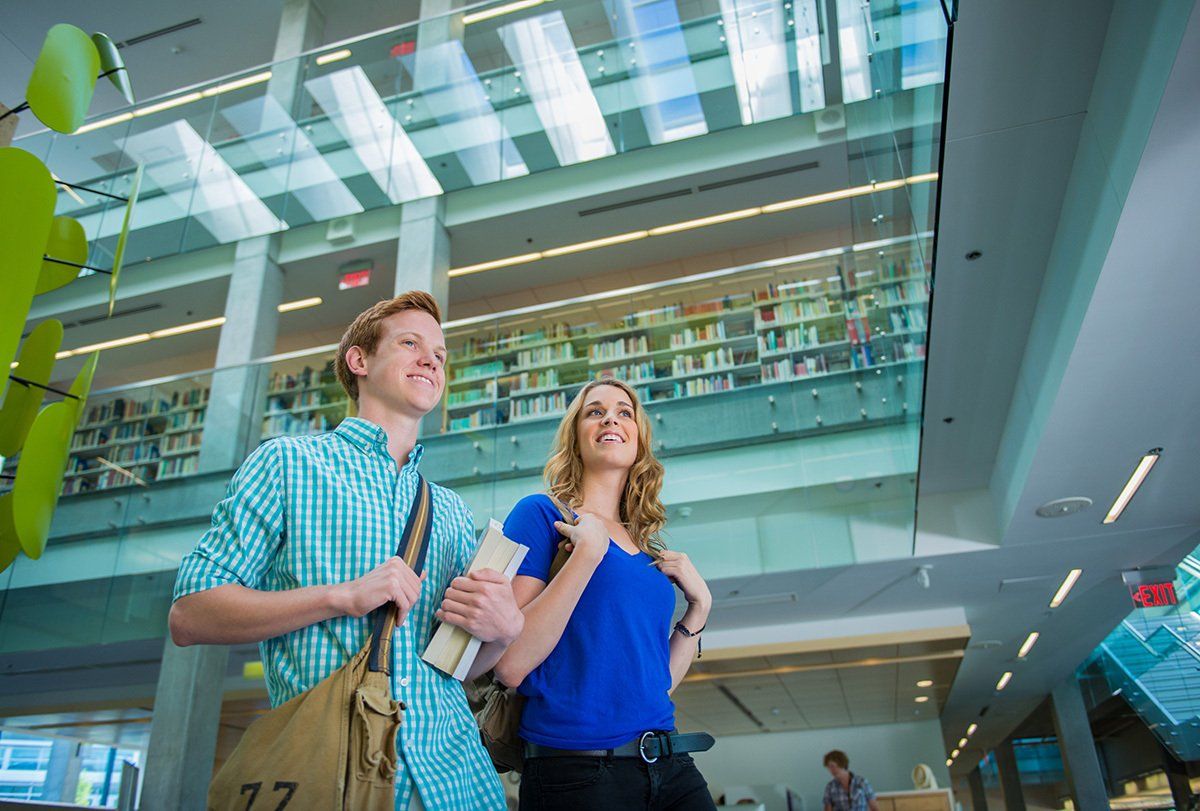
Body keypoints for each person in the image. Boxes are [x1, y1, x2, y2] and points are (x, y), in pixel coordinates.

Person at [169, 292, 521, 811]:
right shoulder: (288, 463)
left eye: (440, 355)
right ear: (359, 361)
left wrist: (502, 630)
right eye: (410, 343)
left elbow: (456, 668)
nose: (431, 360)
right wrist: (343, 596)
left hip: (460, 785)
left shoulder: (447, 510)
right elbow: (189, 615)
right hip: (335, 780)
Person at [494, 378, 717, 810]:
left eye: (624, 412)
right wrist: (586, 555)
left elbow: (656, 685)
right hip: (578, 773)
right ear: (576, 437)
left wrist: (699, 610)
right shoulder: (541, 515)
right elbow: (511, 663)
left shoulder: (649, 550)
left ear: (639, 439)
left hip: (669, 763)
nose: (611, 417)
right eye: (594, 411)